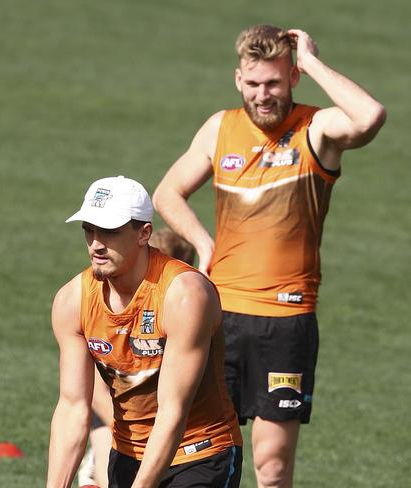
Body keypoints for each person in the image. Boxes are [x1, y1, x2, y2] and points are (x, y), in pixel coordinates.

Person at [153, 25, 385, 488]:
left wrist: (314, 60)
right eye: (254, 84)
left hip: (286, 319)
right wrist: (204, 244)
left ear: (293, 78)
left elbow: (370, 116)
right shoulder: (220, 128)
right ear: (239, 79)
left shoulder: (316, 130)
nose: (264, 95)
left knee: (273, 465)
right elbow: (168, 193)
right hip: (220, 315)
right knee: (196, 449)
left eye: (275, 83)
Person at [47, 176, 242, 488]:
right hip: (126, 454)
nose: (96, 243)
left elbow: (173, 411)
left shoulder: (185, 295)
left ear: (144, 233)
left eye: (109, 231)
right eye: (89, 230)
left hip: (198, 455)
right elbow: (72, 407)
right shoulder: (72, 301)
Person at [77, 228, 195, 488]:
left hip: (185, 435)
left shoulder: (187, 301)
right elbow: (88, 392)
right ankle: (96, 462)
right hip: (121, 415)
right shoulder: (86, 299)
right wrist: (125, 430)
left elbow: (177, 406)